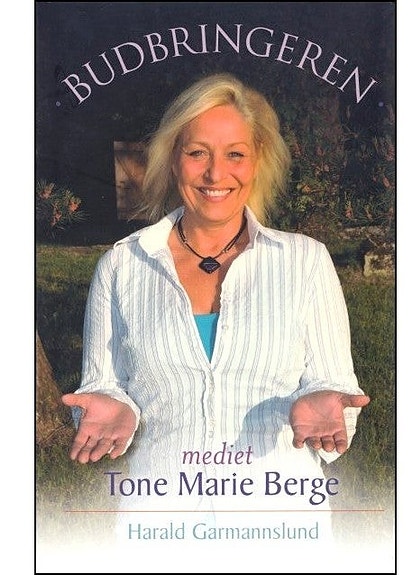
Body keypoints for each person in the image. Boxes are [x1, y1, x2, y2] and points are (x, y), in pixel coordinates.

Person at [61, 73, 370, 554]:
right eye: (197, 152)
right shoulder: (122, 265)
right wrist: (114, 407)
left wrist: (323, 403)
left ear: (257, 161)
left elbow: (336, 390)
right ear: (173, 159)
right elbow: (102, 386)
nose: (215, 173)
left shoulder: (305, 261)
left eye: (235, 154)